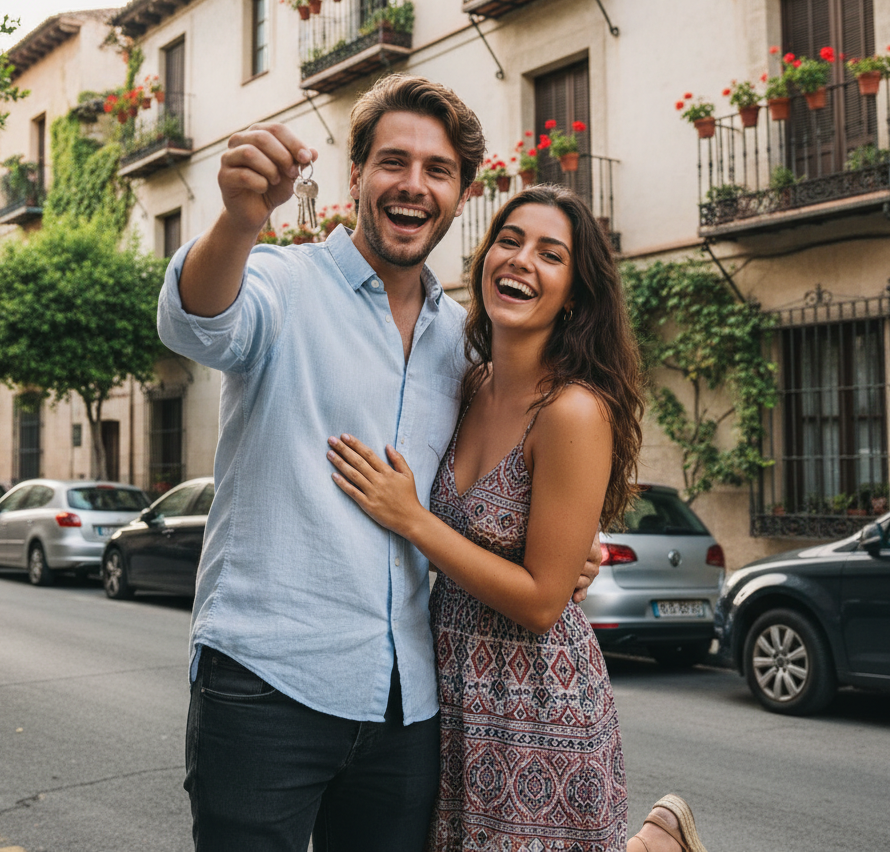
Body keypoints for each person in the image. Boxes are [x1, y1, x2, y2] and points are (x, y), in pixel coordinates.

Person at [156, 75, 602, 852]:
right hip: (267, 684)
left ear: (461, 197)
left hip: (408, 707)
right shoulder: (281, 282)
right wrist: (237, 221)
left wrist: (558, 557)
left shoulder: (461, 342)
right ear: (356, 176)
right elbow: (198, 324)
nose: (413, 184)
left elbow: (494, 477)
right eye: (393, 161)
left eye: (437, 170)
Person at [326, 185, 709, 852]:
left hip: (536, 695)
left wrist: (412, 519)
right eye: (509, 240)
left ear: (575, 294)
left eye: (550, 253)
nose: (522, 260)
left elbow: (540, 602)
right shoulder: (467, 383)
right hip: (448, 683)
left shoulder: (573, 411)